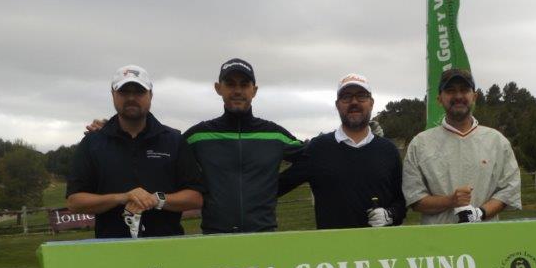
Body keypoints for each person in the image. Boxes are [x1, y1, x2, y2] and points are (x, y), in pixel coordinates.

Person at [67, 65, 204, 238]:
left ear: (151, 95)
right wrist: (122, 198)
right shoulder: (92, 143)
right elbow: (75, 202)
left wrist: (156, 200)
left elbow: (195, 197)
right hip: (111, 250)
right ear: (113, 94)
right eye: (124, 92)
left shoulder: (174, 140)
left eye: (139, 92)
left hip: (168, 247)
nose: (131, 98)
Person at [184, 58, 304, 234]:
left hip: (264, 235)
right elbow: (171, 164)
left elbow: (311, 160)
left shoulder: (275, 134)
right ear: (218, 88)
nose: (237, 91)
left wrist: (274, 188)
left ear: (254, 90)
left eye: (244, 84)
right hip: (214, 237)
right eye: (230, 84)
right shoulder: (198, 136)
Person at [277, 73, 405, 229]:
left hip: (380, 250)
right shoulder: (318, 148)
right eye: (346, 97)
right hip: (332, 250)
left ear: (371, 103)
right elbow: (276, 187)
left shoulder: (388, 150)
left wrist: (391, 214)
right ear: (337, 105)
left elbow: (403, 200)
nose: (354, 102)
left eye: (361, 96)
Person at [402, 68, 521, 224]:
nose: (458, 96)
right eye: (450, 91)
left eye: (464, 90)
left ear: (474, 96)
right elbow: (415, 199)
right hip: (437, 241)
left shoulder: (497, 142)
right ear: (439, 99)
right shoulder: (420, 144)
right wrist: (450, 201)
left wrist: (479, 213)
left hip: (486, 238)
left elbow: (508, 190)